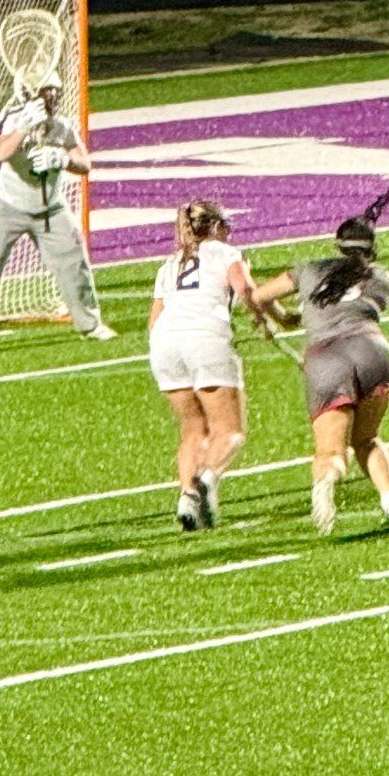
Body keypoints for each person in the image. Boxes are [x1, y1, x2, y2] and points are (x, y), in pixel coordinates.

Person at [250, 188, 389, 534]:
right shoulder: (383, 277)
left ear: (337, 245)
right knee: (367, 439)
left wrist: (281, 320)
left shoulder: (309, 269)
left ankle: (325, 485)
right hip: (373, 351)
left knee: (331, 450)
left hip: (326, 357)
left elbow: (257, 297)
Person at [0, 72, 116, 353]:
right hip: (3, 205)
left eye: (55, 92)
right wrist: (23, 129)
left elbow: (84, 163)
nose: (52, 98)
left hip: (49, 208)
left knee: (73, 261)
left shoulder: (61, 125)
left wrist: (62, 159)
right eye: (46, 92)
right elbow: (1, 152)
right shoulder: (12, 118)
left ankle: (90, 324)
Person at [147, 201, 254, 530]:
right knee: (230, 431)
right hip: (205, 338)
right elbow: (246, 291)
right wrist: (271, 319)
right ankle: (206, 478)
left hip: (164, 344)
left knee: (193, 429)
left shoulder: (170, 264)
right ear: (216, 227)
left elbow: (154, 320)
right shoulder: (225, 253)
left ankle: (186, 498)